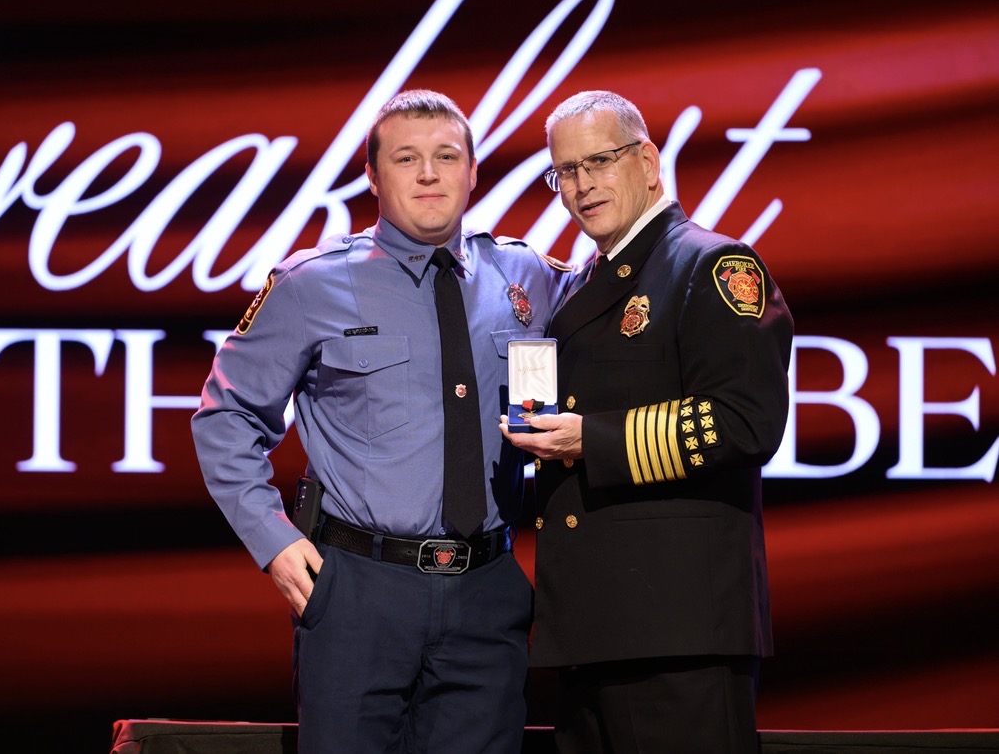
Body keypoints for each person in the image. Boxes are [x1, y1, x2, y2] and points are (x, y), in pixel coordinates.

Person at [192, 89, 570, 753]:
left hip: (486, 595)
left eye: (445, 155)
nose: (428, 173)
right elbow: (224, 416)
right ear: (372, 175)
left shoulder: (527, 276)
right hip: (359, 593)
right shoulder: (311, 283)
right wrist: (272, 542)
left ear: (472, 170)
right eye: (406, 157)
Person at [501, 90, 793, 753]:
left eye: (598, 161)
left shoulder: (710, 265)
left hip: (676, 629)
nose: (581, 185)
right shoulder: (577, 285)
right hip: (587, 626)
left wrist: (591, 439)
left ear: (648, 160)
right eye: (564, 171)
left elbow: (747, 421)